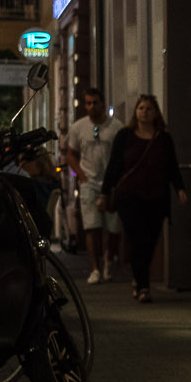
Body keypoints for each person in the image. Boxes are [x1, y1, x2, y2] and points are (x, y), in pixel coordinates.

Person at [96, 94, 186, 304]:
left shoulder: (163, 138)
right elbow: (114, 166)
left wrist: (180, 188)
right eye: (141, 108)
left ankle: (139, 279)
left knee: (150, 241)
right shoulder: (125, 136)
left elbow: (171, 166)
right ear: (135, 112)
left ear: (155, 113)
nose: (144, 112)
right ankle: (143, 286)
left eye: (148, 109)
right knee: (137, 240)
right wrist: (104, 193)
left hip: (156, 197)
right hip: (130, 197)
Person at [62, 87, 113, 282]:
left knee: (112, 226)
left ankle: (109, 259)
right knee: (92, 226)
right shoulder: (78, 127)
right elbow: (70, 154)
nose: (91, 107)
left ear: (102, 103)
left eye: (95, 103)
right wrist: (81, 175)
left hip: (109, 182)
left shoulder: (114, 127)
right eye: (88, 103)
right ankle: (95, 268)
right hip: (88, 182)